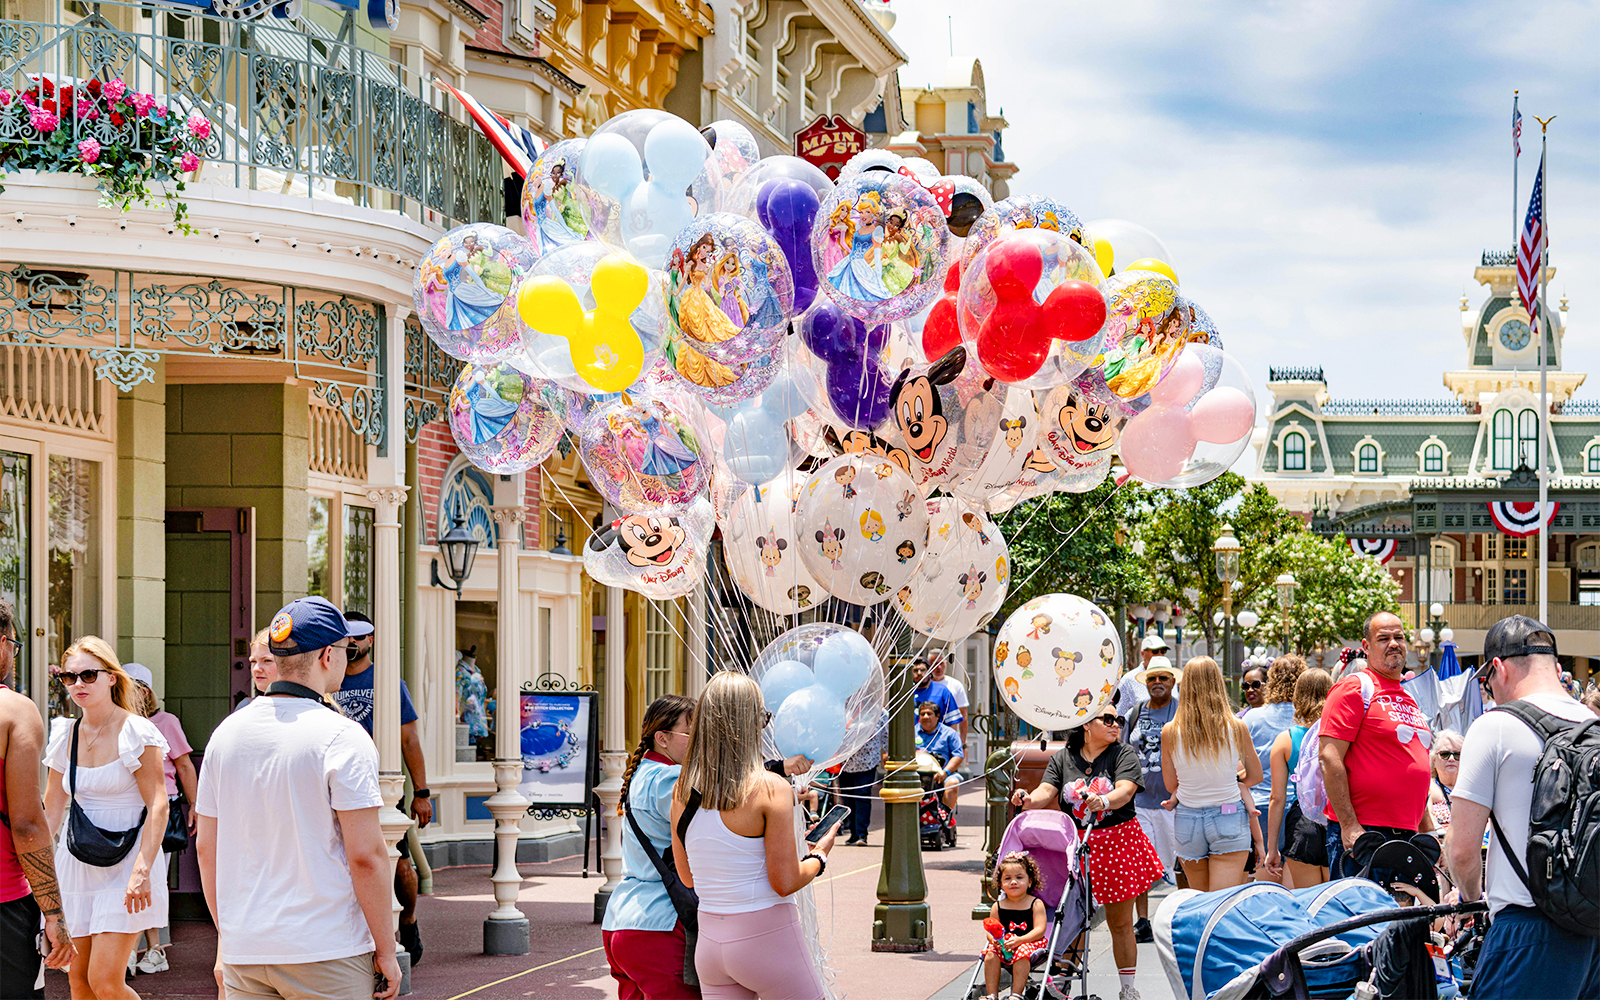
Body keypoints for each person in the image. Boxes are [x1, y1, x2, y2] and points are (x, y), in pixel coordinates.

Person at [196, 596, 400, 1000]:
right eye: (346, 650)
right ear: (328, 655)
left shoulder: (227, 734)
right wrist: (387, 949)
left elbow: (206, 847)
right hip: (326, 948)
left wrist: (230, 933)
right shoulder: (341, 736)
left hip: (247, 949)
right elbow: (366, 856)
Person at [1445, 617, 1599, 1000]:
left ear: (1498, 667)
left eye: (1488, 679)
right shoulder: (1593, 725)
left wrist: (1469, 899)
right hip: (1592, 927)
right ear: (1556, 667)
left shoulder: (1494, 726)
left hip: (1527, 928)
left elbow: (1462, 849)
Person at [670, 672, 838, 1000]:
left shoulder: (682, 791)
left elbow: (687, 877)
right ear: (751, 724)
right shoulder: (769, 787)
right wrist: (819, 855)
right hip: (767, 937)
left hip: (711, 944)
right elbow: (784, 881)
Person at [42, 636, 170, 1000]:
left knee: (105, 980)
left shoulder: (136, 730)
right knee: (77, 980)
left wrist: (143, 870)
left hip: (129, 862)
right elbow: (51, 810)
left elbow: (158, 804)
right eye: (69, 677)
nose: (78, 684)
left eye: (88, 675)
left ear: (112, 677)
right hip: (77, 863)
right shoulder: (64, 734)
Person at [1013, 708, 1165, 1000]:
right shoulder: (1063, 757)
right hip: (1076, 845)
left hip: (1117, 843)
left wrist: (1105, 799)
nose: (1115, 725)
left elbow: (1126, 790)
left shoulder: (1123, 754)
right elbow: (1048, 790)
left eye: (1118, 720)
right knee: (1072, 916)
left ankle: (1127, 989)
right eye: (1107, 719)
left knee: (1119, 922)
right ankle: (1063, 982)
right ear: (1085, 724)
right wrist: (1029, 799)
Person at [331, 610, 431, 968]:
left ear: (370, 640)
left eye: (359, 636)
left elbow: (409, 738)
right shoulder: (330, 681)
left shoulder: (388, 682)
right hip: (336, 785)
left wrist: (422, 792)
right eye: (347, 637)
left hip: (382, 787)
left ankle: (407, 920)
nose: (353, 643)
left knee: (398, 860)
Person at [1318, 611, 1435, 879]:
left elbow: (1412, 766)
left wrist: (1427, 829)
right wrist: (1349, 825)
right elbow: (1329, 757)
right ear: (1366, 647)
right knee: (1360, 918)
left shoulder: (1409, 698)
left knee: (1401, 920)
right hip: (1366, 836)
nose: (1393, 643)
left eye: (1399, 637)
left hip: (1408, 836)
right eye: (1383, 638)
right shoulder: (1355, 688)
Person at [0, 600, 74, 998]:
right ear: (1, 644)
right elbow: (27, 823)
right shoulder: (14, 710)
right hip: (4, 902)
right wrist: (55, 915)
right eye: (14, 643)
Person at [603, 694, 698, 1000]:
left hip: (621, 919)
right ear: (663, 738)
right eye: (691, 733)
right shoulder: (670, 779)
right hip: (659, 923)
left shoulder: (642, 773)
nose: (699, 743)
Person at [1160, 656, 1262, 893]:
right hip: (1228, 814)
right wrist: (1231, 780)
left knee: (1200, 899)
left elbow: (1170, 784)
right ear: (1218, 684)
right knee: (1222, 903)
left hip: (1188, 818)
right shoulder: (1236, 727)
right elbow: (1256, 775)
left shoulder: (1170, 731)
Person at [125, 663, 198, 976]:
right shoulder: (117, 722)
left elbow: (183, 765)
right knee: (125, 878)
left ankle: (154, 950)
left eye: (136, 686)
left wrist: (194, 804)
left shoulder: (165, 722)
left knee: (154, 878)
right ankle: (129, 949)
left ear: (146, 691)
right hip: (125, 810)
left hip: (159, 807)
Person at [1121, 655, 1180, 943]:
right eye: (1152, 679)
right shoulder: (1135, 713)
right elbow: (1122, 750)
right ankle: (1143, 921)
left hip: (1174, 801)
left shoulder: (1182, 712)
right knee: (1141, 864)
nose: (1157, 683)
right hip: (1140, 801)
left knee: (1181, 861)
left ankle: (1182, 915)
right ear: (1146, 684)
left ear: (1172, 681)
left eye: (1163, 678)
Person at [1265, 668, 1334, 889]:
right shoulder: (1340, 736)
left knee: (1309, 902)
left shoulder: (1285, 740)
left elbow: (1277, 798)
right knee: (1339, 899)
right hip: (1336, 818)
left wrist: (1272, 847)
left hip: (1303, 823)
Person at [1245, 656, 1303, 873]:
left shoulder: (1252, 717)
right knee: (1297, 881)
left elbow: (1240, 766)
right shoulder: (1308, 719)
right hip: (1300, 807)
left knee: (1266, 877)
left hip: (1261, 806)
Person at [980, 851, 1047, 1000]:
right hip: (1004, 945)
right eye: (1007, 879)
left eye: (1019, 877)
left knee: (1022, 951)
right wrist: (994, 941)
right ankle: (992, 995)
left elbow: (1040, 930)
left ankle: (1016, 994)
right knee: (990, 952)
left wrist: (1020, 940)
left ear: (1030, 881)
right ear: (1000, 884)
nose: (1013, 882)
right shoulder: (998, 906)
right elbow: (991, 930)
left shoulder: (1035, 904)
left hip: (1030, 942)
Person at [837, 707, 888, 846]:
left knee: (862, 795)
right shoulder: (844, 709)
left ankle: (861, 834)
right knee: (848, 797)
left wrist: (885, 752)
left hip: (868, 760)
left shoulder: (879, 711)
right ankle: (853, 833)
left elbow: (886, 733)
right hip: (846, 761)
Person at [914, 702, 964, 817]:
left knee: (953, 783)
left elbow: (958, 755)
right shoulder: (911, 733)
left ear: (937, 716)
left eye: (929, 714)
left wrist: (945, 772)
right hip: (917, 775)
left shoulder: (949, 733)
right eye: (922, 714)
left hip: (942, 773)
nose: (925, 717)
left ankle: (944, 818)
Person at [1116, 634, 1170, 712]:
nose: (1160, 655)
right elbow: (1120, 713)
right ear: (1143, 654)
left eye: (1163, 651)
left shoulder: (1170, 676)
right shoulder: (1129, 680)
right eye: (1155, 651)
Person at [911, 657, 963, 734]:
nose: (919, 673)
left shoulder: (942, 692)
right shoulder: (906, 693)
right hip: (913, 741)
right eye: (915, 671)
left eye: (922, 670)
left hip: (937, 743)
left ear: (929, 672)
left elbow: (952, 722)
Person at [1425, 729, 1463, 832]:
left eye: (1457, 755)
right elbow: (1428, 820)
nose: (1451, 759)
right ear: (1434, 760)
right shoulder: (1427, 787)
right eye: (1444, 754)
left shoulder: (1473, 788)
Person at [929, 651, 969, 747]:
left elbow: (963, 714)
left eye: (941, 663)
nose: (938, 667)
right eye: (935, 664)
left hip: (948, 739)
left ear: (946, 663)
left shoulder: (955, 685)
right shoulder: (923, 686)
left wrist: (963, 742)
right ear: (929, 664)